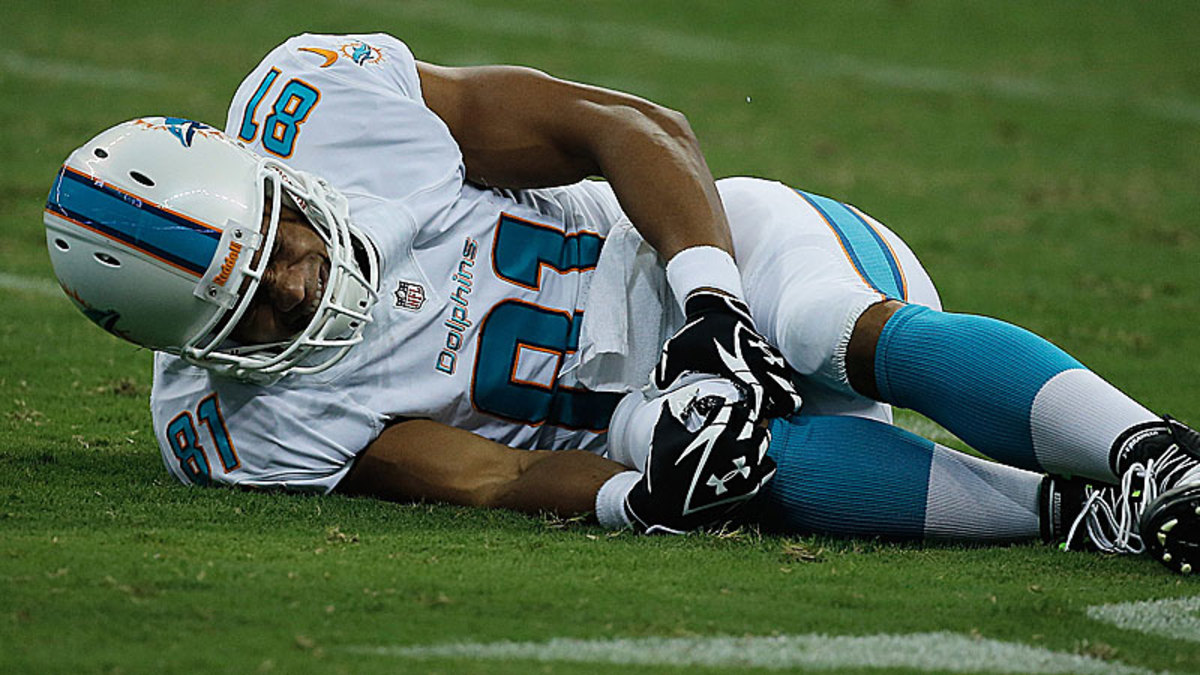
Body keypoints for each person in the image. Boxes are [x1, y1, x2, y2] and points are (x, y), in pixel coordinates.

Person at [44, 33, 1199, 572]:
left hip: (718, 253)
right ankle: (1082, 517)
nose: (298, 285)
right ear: (190, 349)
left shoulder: (331, 108)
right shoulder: (229, 428)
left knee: (804, 327)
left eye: (281, 244)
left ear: (275, 175)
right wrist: (634, 504)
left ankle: (1155, 453)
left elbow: (632, 129)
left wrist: (710, 307)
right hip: (639, 407)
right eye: (250, 312)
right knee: (703, 457)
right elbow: (485, 474)